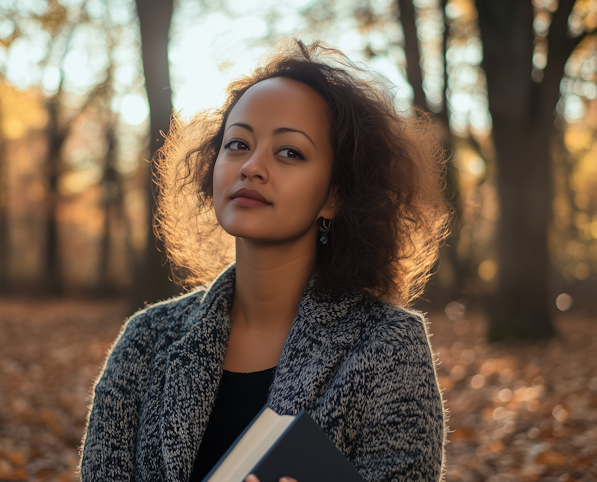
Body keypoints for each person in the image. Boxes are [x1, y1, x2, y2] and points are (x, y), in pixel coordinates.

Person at [79, 39, 450, 482]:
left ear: (335, 195)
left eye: (289, 152)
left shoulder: (390, 347)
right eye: (237, 144)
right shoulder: (146, 340)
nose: (251, 166)